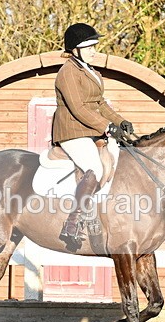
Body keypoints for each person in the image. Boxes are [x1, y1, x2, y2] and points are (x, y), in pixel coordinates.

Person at [52, 23, 134, 246]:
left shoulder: (92, 72)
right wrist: (106, 127)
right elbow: (78, 108)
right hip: (72, 130)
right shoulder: (67, 72)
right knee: (95, 168)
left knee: (119, 160)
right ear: (75, 49)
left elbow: (100, 104)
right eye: (89, 47)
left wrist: (120, 121)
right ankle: (72, 223)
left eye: (94, 46)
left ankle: (101, 214)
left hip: (91, 130)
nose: (94, 51)